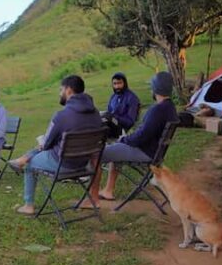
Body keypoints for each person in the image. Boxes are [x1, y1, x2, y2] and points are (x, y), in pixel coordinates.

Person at [82, 71, 179, 207]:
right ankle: (108, 190)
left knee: (96, 153)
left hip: (144, 151)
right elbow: (143, 133)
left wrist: (124, 140)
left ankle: (92, 199)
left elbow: (140, 137)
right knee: (116, 150)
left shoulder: (157, 110)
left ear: (156, 89)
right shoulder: (170, 108)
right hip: (153, 151)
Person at [10, 75, 102, 215]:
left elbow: (47, 144)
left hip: (63, 164)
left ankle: (28, 205)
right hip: (83, 164)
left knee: (31, 162)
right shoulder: (96, 113)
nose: (60, 94)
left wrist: (42, 142)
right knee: (46, 148)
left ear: (68, 90)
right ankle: (23, 158)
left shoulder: (61, 116)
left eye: (61, 90)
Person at [101, 72, 141, 139]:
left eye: (119, 83)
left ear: (125, 83)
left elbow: (130, 122)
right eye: (115, 84)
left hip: (123, 129)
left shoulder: (132, 98)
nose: (117, 86)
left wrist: (114, 117)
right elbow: (109, 114)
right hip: (111, 125)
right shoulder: (113, 97)